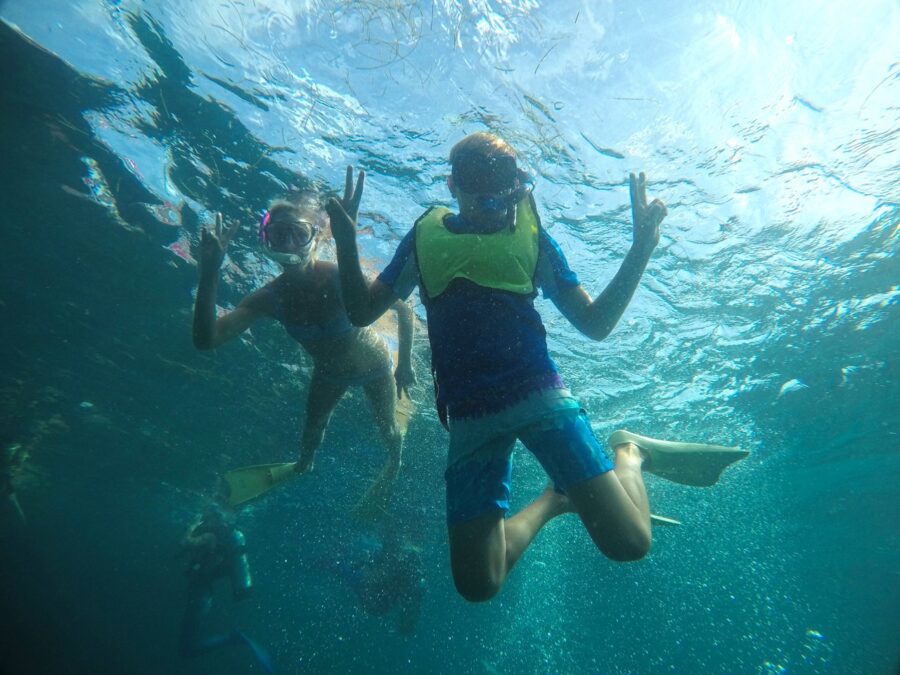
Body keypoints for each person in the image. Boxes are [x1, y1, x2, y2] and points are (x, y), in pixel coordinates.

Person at [324, 132, 747, 602]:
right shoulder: (424, 238)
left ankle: (630, 451)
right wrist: (345, 241)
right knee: (478, 583)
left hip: (538, 396)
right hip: (469, 417)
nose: (490, 195)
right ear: (453, 185)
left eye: (502, 181)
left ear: (516, 185)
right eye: (476, 179)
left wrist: (641, 249)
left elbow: (595, 324)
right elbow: (362, 312)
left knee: (631, 542)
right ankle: (553, 500)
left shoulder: (533, 239)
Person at [192, 183, 416, 518]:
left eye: (297, 233)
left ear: (316, 237)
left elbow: (402, 308)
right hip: (329, 373)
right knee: (311, 432)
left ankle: (394, 462)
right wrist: (209, 273)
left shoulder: (339, 276)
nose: (287, 243)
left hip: (375, 365)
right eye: (278, 235)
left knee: (387, 429)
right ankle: (304, 464)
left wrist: (405, 364)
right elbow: (207, 340)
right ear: (266, 241)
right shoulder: (270, 298)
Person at [178, 506, 272, 671]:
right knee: (188, 646)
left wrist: (192, 525)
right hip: (201, 592)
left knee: (187, 648)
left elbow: (185, 542)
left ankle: (232, 639)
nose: (203, 515)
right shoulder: (217, 535)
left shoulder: (210, 536)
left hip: (200, 593)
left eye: (206, 513)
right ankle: (231, 639)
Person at [322, 524, 426, 635]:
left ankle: (321, 561)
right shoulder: (401, 564)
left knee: (340, 567)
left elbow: (372, 578)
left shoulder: (403, 568)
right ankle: (323, 561)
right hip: (375, 595)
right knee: (341, 567)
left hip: (374, 600)